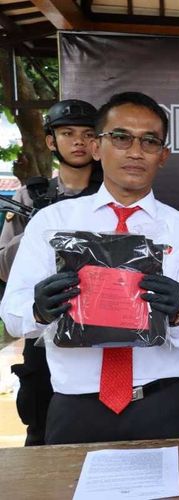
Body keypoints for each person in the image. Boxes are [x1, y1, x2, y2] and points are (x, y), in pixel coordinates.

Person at [0, 91, 179, 444]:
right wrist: (38, 309)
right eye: (120, 137)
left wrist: (177, 313)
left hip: (161, 405)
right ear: (98, 147)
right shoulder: (51, 223)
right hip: (75, 406)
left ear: (163, 155)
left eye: (149, 141)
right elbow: (12, 315)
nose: (135, 151)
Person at [0, 99, 102, 446]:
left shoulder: (112, 195)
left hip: (100, 330)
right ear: (50, 141)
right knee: (43, 429)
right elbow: (4, 267)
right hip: (45, 329)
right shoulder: (32, 196)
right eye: (67, 133)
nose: (78, 142)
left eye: (88, 134)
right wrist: (40, 236)